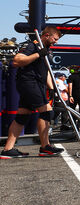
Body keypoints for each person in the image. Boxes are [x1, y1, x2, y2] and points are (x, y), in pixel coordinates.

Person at [0, 26, 64, 158]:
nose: (56, 42)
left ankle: (8, 149)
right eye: (55, 39)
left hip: (35, 84)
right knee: (46, 112)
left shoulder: (45, 50)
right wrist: (38, 54)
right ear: (46, 35)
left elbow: (44, 70)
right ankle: (45, 147)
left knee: (22, 116)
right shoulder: (33, 46)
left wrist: (51, 88)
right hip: (29, 82)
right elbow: (17, 61)